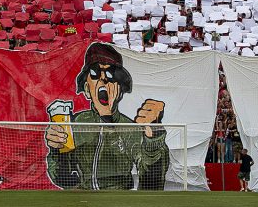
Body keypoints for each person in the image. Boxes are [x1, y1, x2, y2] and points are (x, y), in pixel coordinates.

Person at [44, 43, 170, 190]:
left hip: (118, 203)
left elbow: (152, 184)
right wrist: (57, 151)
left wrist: (153, 140)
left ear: (119, 89)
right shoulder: (75, 123)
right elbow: (64, 180)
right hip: (82, 201)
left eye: (111, 74)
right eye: (95, 73)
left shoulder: (130, 129)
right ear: (86, 88)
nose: (103, 79)